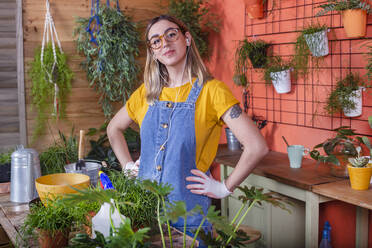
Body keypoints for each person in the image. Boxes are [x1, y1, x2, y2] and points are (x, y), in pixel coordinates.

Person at [107, 15, 268, 246]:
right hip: (144, 216)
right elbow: (114, 129)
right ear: (153, 52)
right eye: (156, 41)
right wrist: (128, 167)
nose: (165, 43)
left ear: (187, 39)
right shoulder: (147, 94)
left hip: (189, 219)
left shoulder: (212, 91)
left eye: (171, 34)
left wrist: (224, 187)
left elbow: (257, 146)